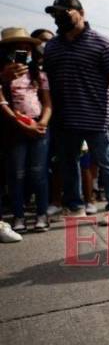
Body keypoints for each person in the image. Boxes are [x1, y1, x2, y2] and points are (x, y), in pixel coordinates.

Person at [42, 0, 109, 225]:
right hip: (64, 118)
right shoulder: (51, 47)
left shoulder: (102, 42)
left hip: (97, 116)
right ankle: (75, 206)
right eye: (55, 14)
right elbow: (45, 83)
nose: (59, 17)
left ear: (81, 12)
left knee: (106, 162)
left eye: (64, 12)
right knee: (68, 163)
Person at [0, 28, 51, 232]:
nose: (23, 51)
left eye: (27, 47)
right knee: (16, 174)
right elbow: (2, 102)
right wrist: (19, 123)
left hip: (38, 127)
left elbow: (47, 104)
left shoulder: (39, 74)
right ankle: (18, 217)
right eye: (17, 48)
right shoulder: (2, 75)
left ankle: (41, 214)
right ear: (7, 51)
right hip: (13, 130)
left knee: (38, 172)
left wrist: (42, 123)